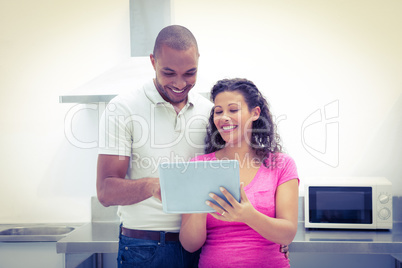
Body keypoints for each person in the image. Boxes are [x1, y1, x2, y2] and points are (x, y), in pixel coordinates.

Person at [96, 25, 213, 267]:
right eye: (169, 73)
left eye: (190, 73)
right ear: (153, 61)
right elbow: (105, 192)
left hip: (204, 245)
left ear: (198, 61)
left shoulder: (210, 111)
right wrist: (153, 186)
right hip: (144, 248)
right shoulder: (123, 108)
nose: (180, 83)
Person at [179, 78, 299, 268]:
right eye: (218, 111)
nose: (224, 117)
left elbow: (288, 233)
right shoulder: (199, 166)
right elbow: (190, 245)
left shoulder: (281, 164)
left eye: (233, 110)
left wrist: (248, 215)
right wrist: (200, 205)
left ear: (255, 113)